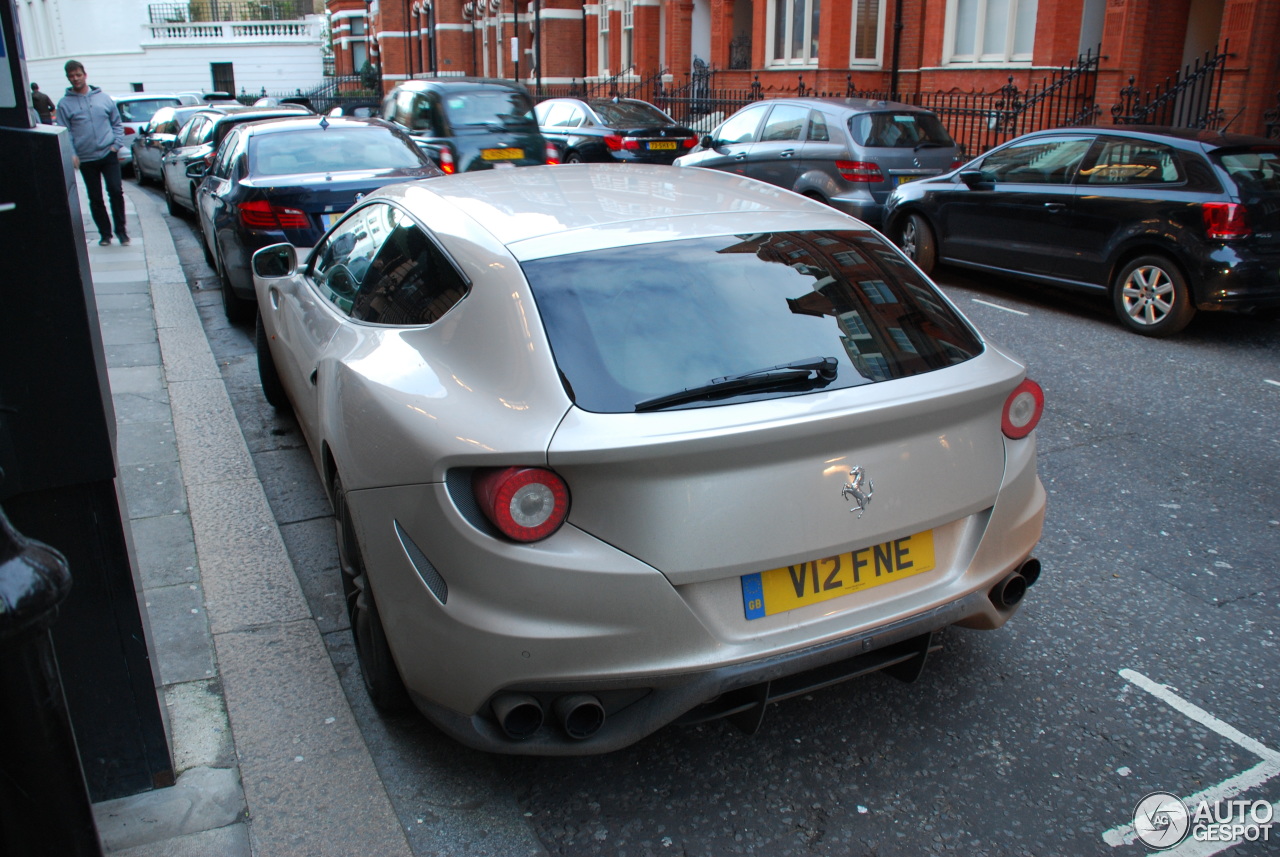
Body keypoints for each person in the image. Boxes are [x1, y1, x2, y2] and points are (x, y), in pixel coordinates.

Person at [55, 60, 129, 246]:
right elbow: (65, 131)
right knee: (95, 197)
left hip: (108, 153)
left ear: (85, 75)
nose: (76, 79)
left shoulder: (103, 98)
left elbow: (116, 123)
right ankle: (105, 234)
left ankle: (121, 231)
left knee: (115, 191)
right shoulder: (64, 104)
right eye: (72, 76)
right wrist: (72, 153)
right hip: (86, 158)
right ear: (68, 78)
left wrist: (116, 145)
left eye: (78, 75)